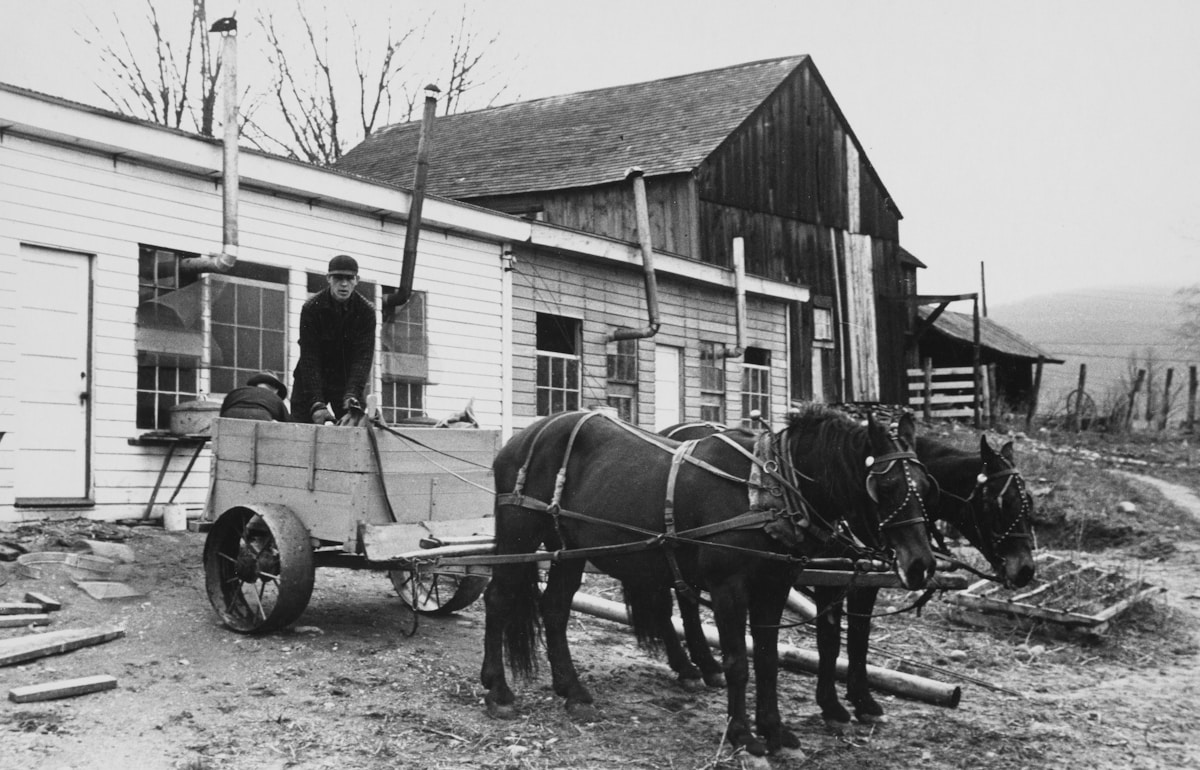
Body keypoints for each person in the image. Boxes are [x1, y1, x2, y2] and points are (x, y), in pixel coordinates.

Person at [291, 254, 376, 425]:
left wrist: (352, 394)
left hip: (345, 380)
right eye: (338, 278)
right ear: (328, 278)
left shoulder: (366, 311)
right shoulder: (311, 308)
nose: (343, 284)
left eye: (349, 278)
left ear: (357, 280)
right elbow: (309, 356)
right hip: (311, 378)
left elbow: (363, 358)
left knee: (353, 427)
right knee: (299, 430)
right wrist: (316, 403)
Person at [219, 372, 291, 422]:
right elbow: (287, 425)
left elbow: (221, 415)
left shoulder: (238, 392)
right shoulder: (276, 398)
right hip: (261, 417)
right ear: (276, 390)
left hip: (229, 416)